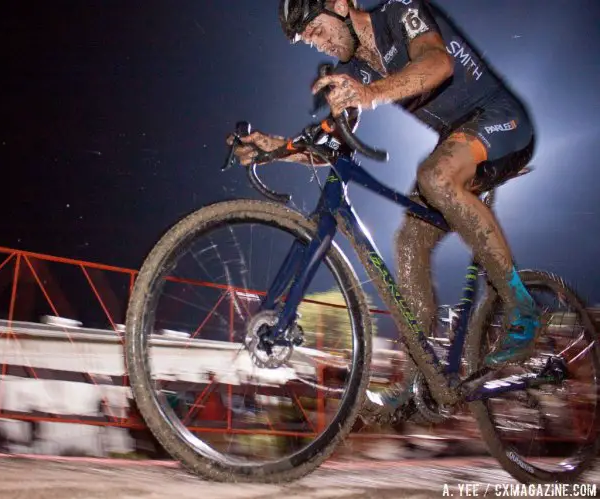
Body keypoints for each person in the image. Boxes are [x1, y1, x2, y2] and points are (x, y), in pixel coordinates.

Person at [229, 0, 539, 369]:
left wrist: (371, 94)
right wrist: (276, 149)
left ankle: (523, 310)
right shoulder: (354, 69)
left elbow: (438, 63)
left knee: (435, 176)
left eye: (315, 29)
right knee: (408, 241)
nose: (317, 43)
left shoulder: (400, 11)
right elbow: (333, 146)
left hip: (502, 121)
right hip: (458, 140)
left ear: (341, 5)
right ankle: (420, 374)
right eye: (308, 40)